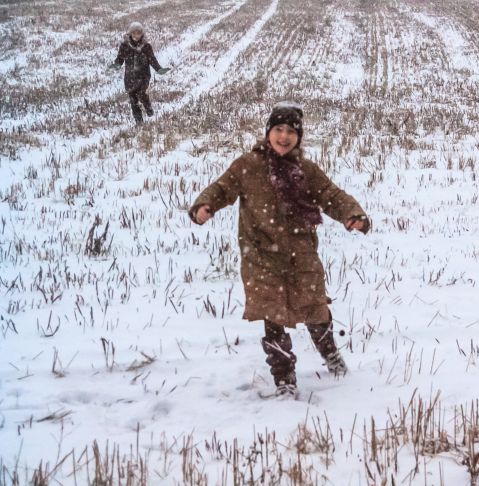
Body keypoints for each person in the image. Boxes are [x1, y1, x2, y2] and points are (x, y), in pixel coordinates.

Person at [189, 102, 370, 398]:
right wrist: (205, 206)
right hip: (261, 257)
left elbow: (332, 196)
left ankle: (331, 356)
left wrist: (353, 215)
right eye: (278, 130)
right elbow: (222, 188)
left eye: (290, 131)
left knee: (316, 310)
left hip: (302, 254)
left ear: (298, 136)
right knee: (272, 319)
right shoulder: (248, 165)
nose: (284, 137)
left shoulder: (306, 171)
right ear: (268, 132)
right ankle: (284, 378)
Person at [109, 22, 170, 124]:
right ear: (130, 33)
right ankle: (139, 122)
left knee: (141, 93)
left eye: (139, 33)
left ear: (142, 34)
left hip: (143, 76)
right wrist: (115, 65)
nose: (136, 35)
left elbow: (152, 60)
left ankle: (149, 109)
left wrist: (159, 69)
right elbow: (119, 59)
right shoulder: (124, 46)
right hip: (129, 77)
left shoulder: (146, 47)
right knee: (133, 100)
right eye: (134, 33)